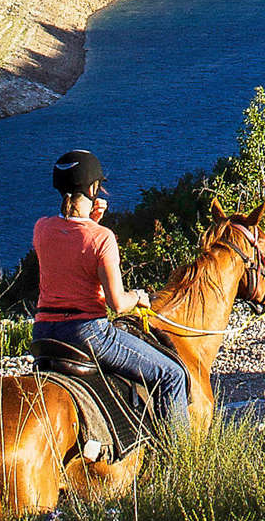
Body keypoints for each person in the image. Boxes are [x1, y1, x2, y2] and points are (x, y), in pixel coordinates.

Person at [31, 150, 190, 431]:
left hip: (43, 332)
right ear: (93, 188)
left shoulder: (41, 228)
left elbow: (70, 246)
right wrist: (139, 297)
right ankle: (184, 461)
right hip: (86, 333)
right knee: (172, 375)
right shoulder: (102, 238)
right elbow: (117, 304)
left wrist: (91, 221)